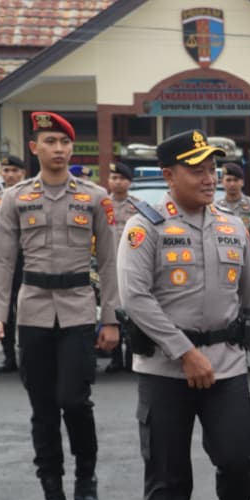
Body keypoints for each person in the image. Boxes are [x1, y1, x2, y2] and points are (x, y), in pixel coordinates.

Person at [117, 130, 250, 500]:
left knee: (239, 459)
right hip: (165, 371)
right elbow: (135, 299)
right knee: (167, 471)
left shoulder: (233, 226)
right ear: (169, 176)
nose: (210, 178)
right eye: (197, 170)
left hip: (226, 366)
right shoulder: (145, 227)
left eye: (213, 169)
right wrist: (184, 352)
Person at [0, 112, 120, 500]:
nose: (59, 149)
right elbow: (2, 261)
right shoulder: (15, 198)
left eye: (64, 142)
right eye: (50, 141)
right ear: (34, 148)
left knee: (74, 400)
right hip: (33, 311)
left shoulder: (95, 198)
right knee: (43, 408)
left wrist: (111, 319)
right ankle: (52, 495)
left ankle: (85, 480)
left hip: (78, 309)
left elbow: (109, 262)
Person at [0, 154, 27, 373]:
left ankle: (28, 356)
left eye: (15, 171)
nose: (10, 175)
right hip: (3, 262)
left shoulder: (30, 198)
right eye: (6, 171)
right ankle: (9, 356)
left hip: (27, 260)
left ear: (23, 174)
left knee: (27, 308)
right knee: (4, 310)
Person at [104, 160, 138, 373]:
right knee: (111, 310)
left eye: (122, 178)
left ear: (129, 182)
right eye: (114, 178)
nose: (117, 182)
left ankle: (131, 356)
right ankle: (115, 358)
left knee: (132, 312)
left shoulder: (137, 206)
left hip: (130, 267)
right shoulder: (102, 205)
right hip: (107, 267)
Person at [217, 162, 250, 228]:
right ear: (222, 182)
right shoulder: (217, 207)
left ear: (242, 182)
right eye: (228, 180)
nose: (232, 184)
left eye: (235, 180)